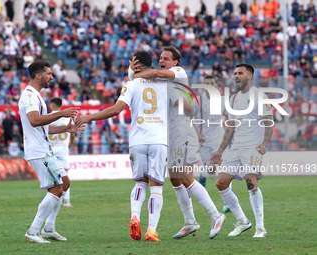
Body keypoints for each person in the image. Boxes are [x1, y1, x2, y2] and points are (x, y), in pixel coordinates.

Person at [130, 46, 225, 239]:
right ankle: (190, 221)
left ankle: (216, 215)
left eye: (166, 58)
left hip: (182, 134)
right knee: (175, 180)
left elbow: (188, 107)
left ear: (176, 62)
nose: (162, 61)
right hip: (168, 136)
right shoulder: (164, 82)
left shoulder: (178, 73)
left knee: (186, 178)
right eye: (160, 58)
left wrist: (135, 73)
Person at [75, 52, 168, 242]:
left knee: (140, 182)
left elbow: (116, 110)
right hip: (159, 139)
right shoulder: (166, 83)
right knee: (156, 186)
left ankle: (135, 216)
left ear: (137, 65)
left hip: (137, 140)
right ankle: (151, 230)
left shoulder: (131, 85)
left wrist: (89, 117)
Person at [19, 61, 82, 243]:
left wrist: (65, 129)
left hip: (44, 148)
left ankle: (49, 227)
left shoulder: (36, 96)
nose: (52, 77)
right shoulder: (30, 96)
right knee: (56, 188)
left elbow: (41, 127)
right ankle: (33, 231)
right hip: (39, 151)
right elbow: (34, 120)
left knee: (65, 183)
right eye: (49, 74)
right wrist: (61, 114)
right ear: (38, 76)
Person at [210, 63, 273, 238]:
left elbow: (268, 121)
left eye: (240, 73)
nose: (236, 76)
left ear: (250, 76)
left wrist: (264, 143)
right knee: (221, 183)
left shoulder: (260, 96)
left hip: (253, 146)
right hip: (236, 146)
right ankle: (243, 221)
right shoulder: (234, 98)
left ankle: (260, 228)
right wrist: (220, 151)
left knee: (250, 181)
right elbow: (230, 127)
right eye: (235, 73)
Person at [192, 75, 230, 213]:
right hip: (204, 142)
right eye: (207, 83)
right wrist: (197, 135)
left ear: (215, 85)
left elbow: (229, 117)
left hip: (219, 140)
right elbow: (189, 119)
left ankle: (228, 202)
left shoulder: (222, 101)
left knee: (223, 170)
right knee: (211, 172)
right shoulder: (197, 101)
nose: (210, 85)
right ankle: (203, 175)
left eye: (212, 83)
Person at [49, 98, 75, 208]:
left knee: (52, 179)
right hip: (63, 150)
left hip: (51, 151)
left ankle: (52, 201)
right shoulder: (67, 119)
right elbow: (73, 133)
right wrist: (71, 143)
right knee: (65, 177)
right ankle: (67, 201)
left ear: (52, 105)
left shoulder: (47, 117)